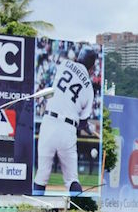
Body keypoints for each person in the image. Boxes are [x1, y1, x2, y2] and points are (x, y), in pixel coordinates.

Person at [33, 47, 97, 194]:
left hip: (49, 121)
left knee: (41, 175)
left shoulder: (64, 65)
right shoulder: (89, 89)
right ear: (92, 67)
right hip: (68, 129)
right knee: (72, 180)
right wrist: (88, 128)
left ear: (78, 58)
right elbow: (82, 123)